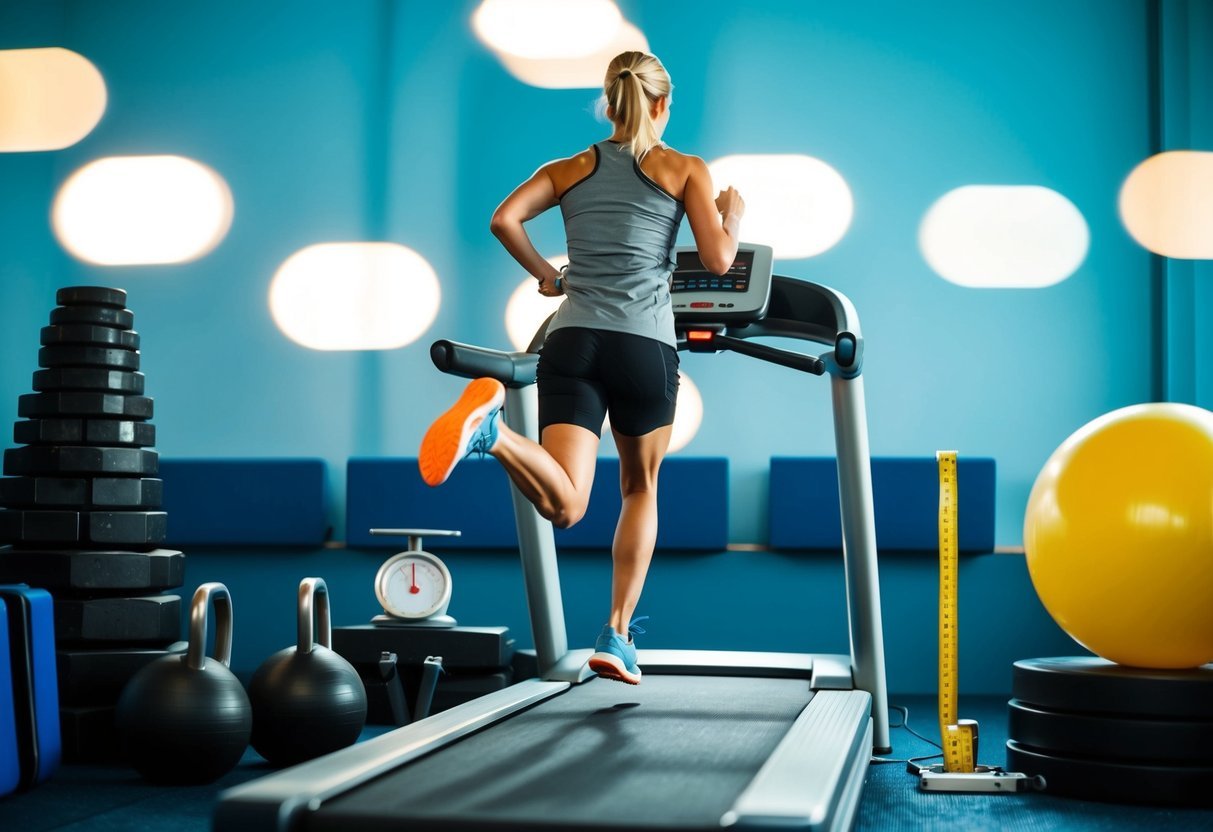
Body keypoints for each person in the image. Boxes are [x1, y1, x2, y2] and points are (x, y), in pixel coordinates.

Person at [418, 50, 744, 685]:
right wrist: (732, 215)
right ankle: (618, 633)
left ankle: (494, 434)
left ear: (611, 101)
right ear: (661, 103)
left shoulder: (569, 168)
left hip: (571, 342)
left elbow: (502, 219)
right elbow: (720, 259)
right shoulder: (686, 169)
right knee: (639, 488)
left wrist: (547, 275)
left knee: (566, 508)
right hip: (644, 348)